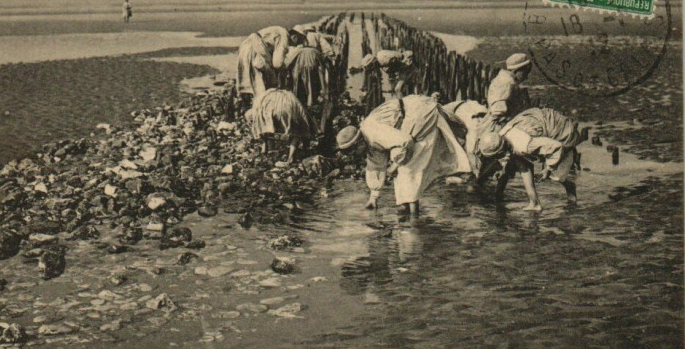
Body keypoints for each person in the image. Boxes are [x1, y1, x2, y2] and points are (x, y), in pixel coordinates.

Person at [336, 95, 471, 215]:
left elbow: (406, 142)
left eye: (354, 152)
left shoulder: (374, 132)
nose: (355, 157)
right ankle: (406, 209)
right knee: (401, 167)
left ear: (359, 143)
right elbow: (376, 165)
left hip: (419, 115)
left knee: (408, 169)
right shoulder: (368, 141)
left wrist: (394, 166)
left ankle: (413, 218)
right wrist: (373, 198)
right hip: (408, 120)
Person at [477, 107, 586, 211]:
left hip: (561, 132)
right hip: (541, 122)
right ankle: (534, 203)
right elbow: (513, 161)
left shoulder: (524, 146)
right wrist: (502, 168)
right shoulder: (501, 136)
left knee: (556, 174)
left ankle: (571, 195)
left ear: (501, 151)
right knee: (519, 162)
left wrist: (548, 169)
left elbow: (556, 146)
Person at [245, 88, 317, 163]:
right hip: (286, 109)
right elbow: (302, 114)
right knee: (296, 133)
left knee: (264, 130)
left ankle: (265, 151)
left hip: (269, 111)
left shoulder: (262, 99)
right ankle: (290, 157)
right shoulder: (289, 96)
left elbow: (259, 128)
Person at [236, 26, 290, 101]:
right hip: (255, 50)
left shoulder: (276, 30)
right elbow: (277, 63)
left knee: (248, 87)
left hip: (245, 47)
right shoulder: (284, 35)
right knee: (260, 87)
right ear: (295, 37)